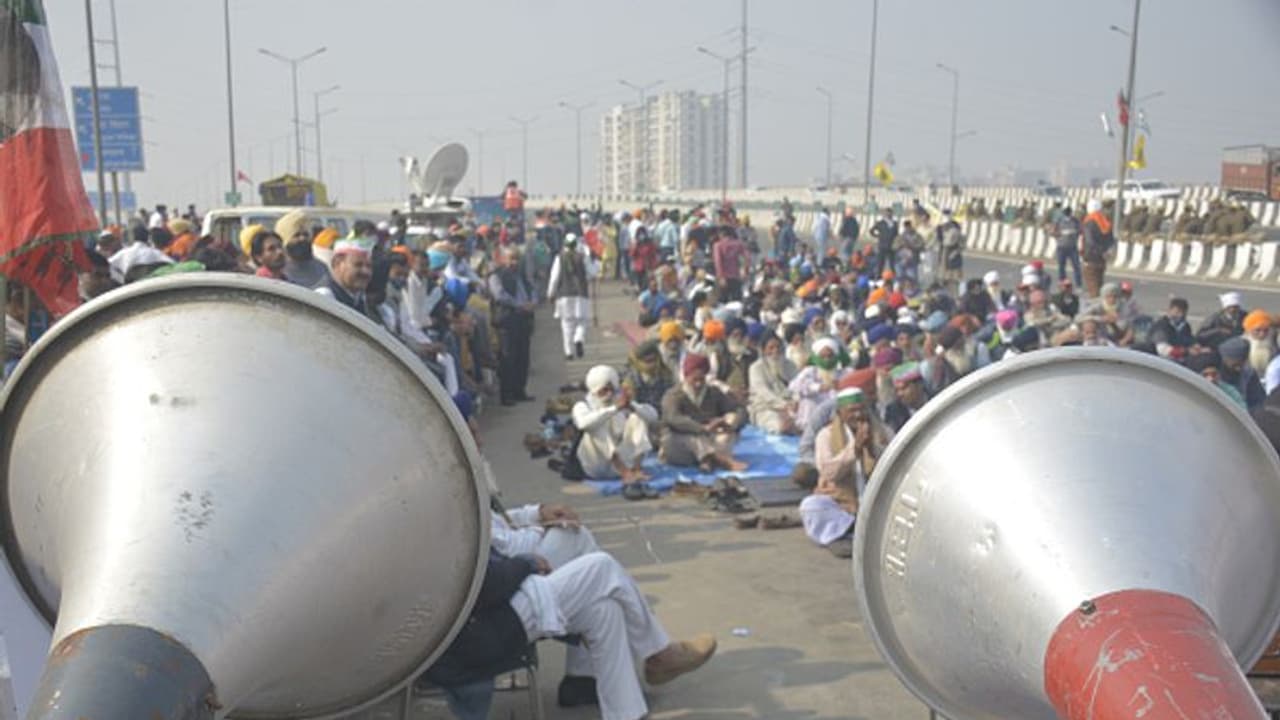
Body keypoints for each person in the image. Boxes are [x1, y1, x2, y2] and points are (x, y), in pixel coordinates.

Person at [425, 549, 716, 720]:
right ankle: (659, 654)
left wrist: (535, 516)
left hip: (489, 617)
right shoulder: (436, 523)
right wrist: (527, 562)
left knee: (604, 610)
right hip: (481, 631)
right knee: (602, 566)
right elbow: (484, 585)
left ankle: (627, 714)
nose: (479, 442)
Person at [799, 387, 888, 558]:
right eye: (852, 411)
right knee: (810, 506)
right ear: (840, 413)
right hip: (844, 504)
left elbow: (894, 465)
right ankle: (851, 531)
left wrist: (871, 448)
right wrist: (854, 449)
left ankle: (859, 534)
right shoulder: (825, 435)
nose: (858, 415)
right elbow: (828, 473)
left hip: (878, 501)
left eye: (862, 409)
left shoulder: (883, 431)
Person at [573, 366, 658, 498]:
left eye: (610, 389)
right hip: (595, 466)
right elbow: (583, 423)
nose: (608, 394)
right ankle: (625, 473)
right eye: (603, 391)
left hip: (624, 462)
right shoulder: (583, 406)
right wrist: (614, 409)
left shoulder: (620, 402)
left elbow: (653, 417)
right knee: (595, 426)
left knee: (637, 418)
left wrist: (632, 406)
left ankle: (636, 469)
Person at [658, 354, 748, 472]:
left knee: (731, 418)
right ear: (686, 376)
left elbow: (739, 409)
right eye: (694, 379)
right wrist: (703, 428)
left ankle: (709, 459)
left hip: (710, 440)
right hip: (680, 447)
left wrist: (731, 426)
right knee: (694, 439)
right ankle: (724, 461)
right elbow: (673, 419)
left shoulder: (713, 392)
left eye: (701, 379)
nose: (698, 384)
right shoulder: (673, 395)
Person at [489, 247, 536, 406]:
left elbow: (531, 288)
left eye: (517, 259)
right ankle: (507, 394)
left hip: (524, 319)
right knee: (508, 358)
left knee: (523, 357)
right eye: (511, 259)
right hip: (508, 320)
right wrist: (520, 305)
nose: (514, 262)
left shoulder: (521, 274)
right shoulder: (497, 275)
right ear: (503, 259)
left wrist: (532, 302)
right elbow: (499, 295)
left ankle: (519, 391)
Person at [547, 233, 595, 360]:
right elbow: (592, 273)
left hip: (564, 295)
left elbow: (554, 278)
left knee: (567, 324)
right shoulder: (583, 257)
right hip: (581, 294)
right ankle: (578, 338)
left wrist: (550, 294)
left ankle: (568, 352)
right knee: (582, 321)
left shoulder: (559, 258)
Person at [789, 337, 851, 428]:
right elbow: (794, 386)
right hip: (812, 417)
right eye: (823, 356)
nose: (827, 360)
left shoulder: (846, 372)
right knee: (809, 400)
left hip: (836, 417)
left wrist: (841, 386)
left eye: (830, 356)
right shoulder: (810, 371)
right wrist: (818, 387)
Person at [748, 333, 799, 435]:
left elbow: (797, 387)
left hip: (791, 405)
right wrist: (784, 405)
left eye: (778, 347)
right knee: (778, 424)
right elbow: (763, 392)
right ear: (763, 350)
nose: (775, 351)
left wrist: (796, 401)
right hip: (765, 407)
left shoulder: (790, 365)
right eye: (770, 348)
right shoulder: (756, 368)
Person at [276, 209, 331, 289]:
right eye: (296, 235)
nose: (302, 238)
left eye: (305, 234)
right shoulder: (278, 271)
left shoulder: (322, 268)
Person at [315, 240, 373, 314]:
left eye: (369, 266)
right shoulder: (325, 296)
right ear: (337, 264)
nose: (365, 271)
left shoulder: (360, 297)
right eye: (358, 265)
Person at [622, 339, 676, 410]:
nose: (653, 364)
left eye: (655, 360)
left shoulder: (666, 375)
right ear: (638, 363)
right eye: (648, 361)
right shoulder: (631, 381)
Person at [1219, 336, 1266, 410]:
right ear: (1225, 359)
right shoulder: (1214, 374)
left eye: (1241, 364)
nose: (1238, 369)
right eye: (1235, 365)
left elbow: (1258, 401)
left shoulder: (1249, 373)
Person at [1080, 199, 1115, 298]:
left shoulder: (1089, 222)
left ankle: (1097, 310)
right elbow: (1111, 240)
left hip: (1091, 259)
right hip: (1102, 259)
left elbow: (1090, 242)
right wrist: (1105, 252)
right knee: (1099, 286)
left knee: (1093, 290)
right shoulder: (1105, 222)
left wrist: (1098, 251)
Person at [882, 362, 928, 433]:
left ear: (919, 385)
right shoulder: (894, 413)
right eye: (897, 390)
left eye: (904, 388)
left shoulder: (937, 398)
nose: (900, 394)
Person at [712, 225, 750, 302]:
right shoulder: (739, 244)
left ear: (721, 234)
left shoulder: (718, 245)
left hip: (724, 277)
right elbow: (747, 257)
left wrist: (721, 276)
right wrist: (745, 270)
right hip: (736, 276)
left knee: (722, 301)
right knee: (736, 301)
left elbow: (718, 261)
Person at [1054, 207, 1083, 286]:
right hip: (1061, 246)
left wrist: (1074, 232)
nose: (1068, 216)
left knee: (1076, 266)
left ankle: (1078, 284)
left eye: (1069, 214)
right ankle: (1062, 282)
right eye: (1066, 214)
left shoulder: (1075, 221)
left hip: (1072, 247)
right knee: (1061, 266)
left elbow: (1081, 230)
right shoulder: (1059, 221)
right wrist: (1061, 233)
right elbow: (1053, 232)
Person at [871, 209, 898, 275]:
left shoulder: (894, 223)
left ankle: (892, 276)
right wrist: (878, 236)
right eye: (887, 213)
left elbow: (896, 234)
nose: (888, 215)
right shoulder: (880, 223)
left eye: (890, 213)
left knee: (892, 263)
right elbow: (872, 231)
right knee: (880, 262)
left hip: (891, 245)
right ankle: (879, 276)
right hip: (882, 245)